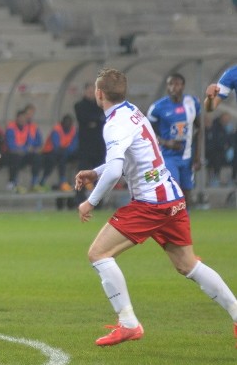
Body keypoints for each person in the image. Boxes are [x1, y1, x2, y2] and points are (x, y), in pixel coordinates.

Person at [75, 68, 237, 347]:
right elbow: (132, 157)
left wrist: (91, 201)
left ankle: (128, 324)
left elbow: (116, 171)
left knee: (98, 254)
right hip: (171, 198)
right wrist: (96, 171)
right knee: (188, 265)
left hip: (150, 204)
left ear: (99, 94)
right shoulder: (132, 112)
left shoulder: (114, 124)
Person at [146, 73, 201, 203]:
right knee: (174, 190)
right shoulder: (157, 107)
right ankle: (170, 221)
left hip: (187, 156)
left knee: (187, 194)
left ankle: (184, 222)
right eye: (170, 84)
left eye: (176, 84)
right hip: (167, 156)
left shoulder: (192, 102)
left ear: (183, 86)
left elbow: (199, 128)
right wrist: (166, 143)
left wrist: (197, 156)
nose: (173, 87)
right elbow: (147, 133)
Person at [74, 82, 106, 204]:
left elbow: (101, 120)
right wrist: (96, 121)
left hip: (99, 146)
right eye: (88, 90)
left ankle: (98, 201)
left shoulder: (100, 106)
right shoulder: (79, 105)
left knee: (100, 174)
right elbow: (85, 119)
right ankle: (79, 199)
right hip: (85, 146)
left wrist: (95, 122)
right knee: (82, 173)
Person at [4, 109, 43, 193]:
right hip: (11, 155)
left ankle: (34, 182)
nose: (22, 120)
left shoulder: (27, 129)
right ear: (17, 118)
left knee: (37, 157)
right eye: (20, 118)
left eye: (24, 118)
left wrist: (24, 149)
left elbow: (30, 145)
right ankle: (13, 182)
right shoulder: (11, 128)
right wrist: (24, 149)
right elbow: (11, 146)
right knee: (15, 157)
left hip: (23, 154)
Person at [40, 114, 78, 190]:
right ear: (62, 123)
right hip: (49, 152)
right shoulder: (57, 129)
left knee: (81, 156)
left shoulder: (73, 130)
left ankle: (81, 182)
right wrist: (66, 150)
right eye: (66, 123)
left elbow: (74, 144)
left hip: (65, 152)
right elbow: (56, 145)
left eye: (69, 123)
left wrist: (68, 150)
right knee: (58, 158)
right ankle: (62, 181)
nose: (67, 125)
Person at [204, 112, 232, 187]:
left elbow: (228, 140)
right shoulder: (215, 128)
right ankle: (214, 178)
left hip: (221, 151)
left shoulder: (225, 129)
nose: (227, 122)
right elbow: (215, 141)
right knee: (217, 158)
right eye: (225, 120)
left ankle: (230, 179)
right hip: (213, 152)